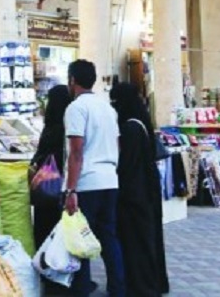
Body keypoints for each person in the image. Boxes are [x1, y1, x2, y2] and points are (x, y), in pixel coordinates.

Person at [63, 60, 125, 297]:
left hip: (87, 183)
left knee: (80, 237)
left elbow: (76, 152)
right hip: (110, 180)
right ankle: (118, 288)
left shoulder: (76, 108)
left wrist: (71, 190)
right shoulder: (108, 109)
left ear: (72, 80)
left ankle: (81, 288)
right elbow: (117, 144)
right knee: (109, 237)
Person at [110, 83, 170, 297]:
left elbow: (128, 165)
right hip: (145, 191)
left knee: (136, 241)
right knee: (146, 239)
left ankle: (140, 285)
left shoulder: (130, 128)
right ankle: (150, 282)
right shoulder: (140, 123)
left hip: (135, 194)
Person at [31, 84, 72, 273]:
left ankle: (45, 270)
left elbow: (41, 156)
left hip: (46, 187)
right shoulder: (68, 128)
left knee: (44, 229)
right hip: (63, 185)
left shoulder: (49, 128)